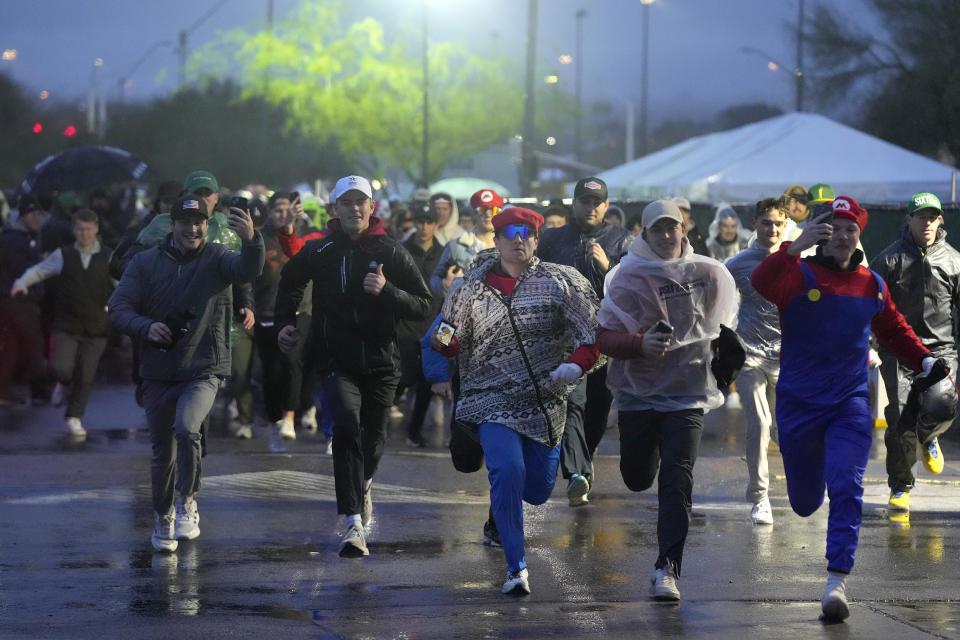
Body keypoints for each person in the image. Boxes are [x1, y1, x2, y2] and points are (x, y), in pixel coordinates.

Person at [752, 195, 939, 622]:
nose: (840, 236)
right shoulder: (796, 273)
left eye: (849, 229)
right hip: (799, 404)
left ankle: (837, 582)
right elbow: (761, 283)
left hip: (849, 404)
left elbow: (893, 328)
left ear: (859, 235)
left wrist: (925, 360)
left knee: (848, 484)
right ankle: (809, 490)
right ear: (820, 233)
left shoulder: (871, 283)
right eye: (833, 228)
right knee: (802, 503)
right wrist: (793, 247)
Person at [431, 207, 602, 595]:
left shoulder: (561, 282)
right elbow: (443, 337)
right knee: (507, 471)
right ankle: (516, 568)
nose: (518, 239)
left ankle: (518, 511)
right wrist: (445, 342)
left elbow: (594, 335)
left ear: (537, 240)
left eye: (526, 232)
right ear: (497, 239)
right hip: (489, 399)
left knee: (537, 490)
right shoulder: (469, 289)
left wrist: (575, 367)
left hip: (545, 404)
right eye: (509, 232)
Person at [275, 175, 432, 558]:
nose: (355, 208)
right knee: (345, 425)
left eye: (361, 202)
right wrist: (286, 322)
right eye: (347, 202)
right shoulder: (321, 250)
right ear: (335, 210)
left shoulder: (391, 251)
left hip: (381, 361)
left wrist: (387, 292)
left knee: (374, 438)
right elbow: (289, 280)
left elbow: (424, 304)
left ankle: (362, 485)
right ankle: (352, 524)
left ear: (372, 208)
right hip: (335, 359)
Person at [595, 199, 738, 602]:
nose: (665, 235)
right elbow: (603, 338)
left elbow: (720, 323)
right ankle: (648, 457)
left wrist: (726, 358)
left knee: (677, 480)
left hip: (688, 395)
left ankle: (667, 568)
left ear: (684, 230)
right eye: (656, 229)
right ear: (643, 232)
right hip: (639, 396)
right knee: (638, 478)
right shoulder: (626, 277)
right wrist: (639, 343)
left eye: (671, 227)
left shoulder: (706, 272)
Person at [109, 194, 264, 553]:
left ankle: (188, 501)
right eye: (185, 222)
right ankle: (163, 515)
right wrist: (146, 327)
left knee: (188, 427)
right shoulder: (145, 263)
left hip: (204, 366)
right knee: (162, 450)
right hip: (158, 369)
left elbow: (248, 271)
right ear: (172, 224)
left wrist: (252, 240)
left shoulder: (217, 258)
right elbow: (119, 308)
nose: (192, 229)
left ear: (207, 226)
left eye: (199, 223)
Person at [537, 176, 632, 506]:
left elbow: (634, 292)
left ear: (606, 206)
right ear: (573, 204)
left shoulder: (622, 241)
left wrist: (608, 268)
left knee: (598, 412)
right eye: (584, 202)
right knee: (572, 404)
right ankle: (577, 473)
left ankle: (583, 461)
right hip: (564, 340)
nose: (590, 208)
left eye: (597, 203)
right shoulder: (551, 239)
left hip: (607, 339)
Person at [871, 192, 960, 512]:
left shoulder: (954, 259)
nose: (927, 222)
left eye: (932, 216)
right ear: (907, 220)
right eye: (920, 216)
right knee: (899, 420)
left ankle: (930, 435)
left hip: (941, 351)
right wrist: (872, 344)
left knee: (943, 408)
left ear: (941, 220)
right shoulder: (888, 259)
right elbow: (872, 306)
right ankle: (901, 486)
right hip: (898, 351)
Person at [10, 209, 114, 438]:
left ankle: (74, 417)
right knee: (60, 367)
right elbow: (40, 270)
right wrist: (21, 282)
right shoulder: (63, 254)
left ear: (96, 229)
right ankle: (64, 382)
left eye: (88, 229)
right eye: (80, 229)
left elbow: (124, 283)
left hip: (96, 327)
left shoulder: (108, 256)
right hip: (66, 324)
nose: (84, 234)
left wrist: (120, 304)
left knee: (86, 375)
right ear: (73, 230)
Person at [723, 198, 789, 524]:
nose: (772, 229)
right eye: (766, 223)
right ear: (755, 224)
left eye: (778, 223)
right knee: (760, 423)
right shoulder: (738, 263)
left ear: (786, 225)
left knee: (783, 430)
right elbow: (713, 289)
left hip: (784, 358)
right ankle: (760, 496)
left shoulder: (796, 260)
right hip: (748, 355)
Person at [397, 206, 444, 446]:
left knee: (427, 382)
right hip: (405, 325)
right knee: (400, 379)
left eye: (429, 222)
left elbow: (452, 297)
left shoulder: (446, 253)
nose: (424, 227)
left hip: (434, 326)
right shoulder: (402, 251)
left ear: (436, 225)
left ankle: (414, 432)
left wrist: (445, 339)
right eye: (420, 221)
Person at [0, 195, 49, 406]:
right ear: (24, 215)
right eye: (34, 214)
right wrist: (41, 262)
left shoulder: (16, 236)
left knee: (11, 346)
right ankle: (38, 389)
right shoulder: (16, 240)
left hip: (9, 298)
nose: (38, 218)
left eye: (39, 214)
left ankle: (3, 391)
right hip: (19, 299)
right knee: (32, 343)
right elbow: (22, 270)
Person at [429, 188, 503, 296]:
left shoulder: (509, 244)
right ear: (474, 214)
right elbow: (434, 279)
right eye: (483, 209)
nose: (488, 214)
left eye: (494, 210)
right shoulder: (455, 246)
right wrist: (445, 284)